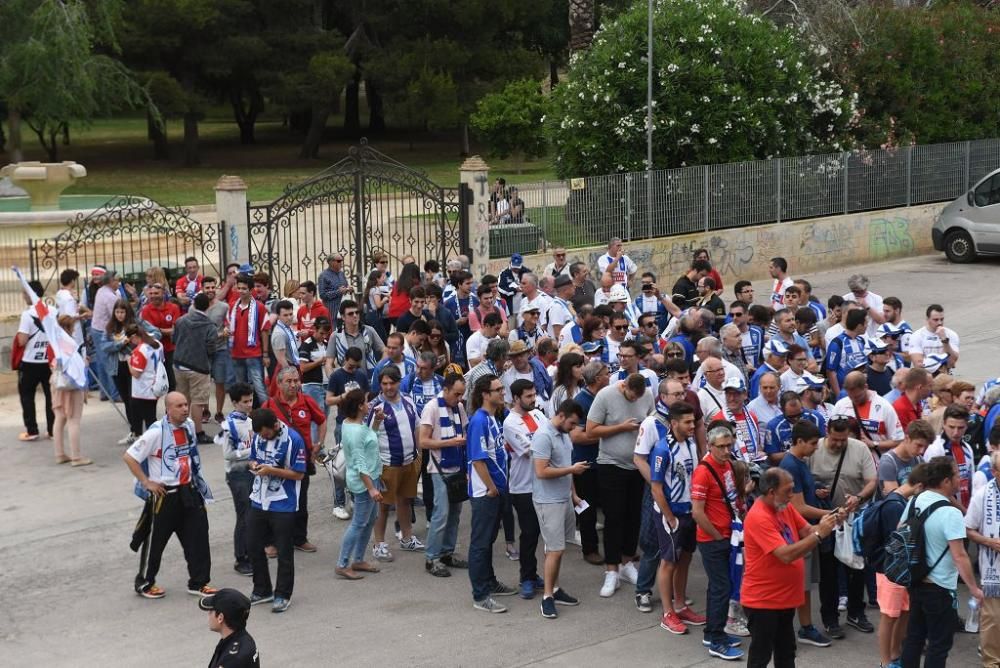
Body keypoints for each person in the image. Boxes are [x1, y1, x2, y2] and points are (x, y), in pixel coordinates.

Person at [741, 467, 839, 668]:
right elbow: (785, 554)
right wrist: (819, 534)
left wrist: (831, 520)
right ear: (771, 492)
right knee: (761, 656)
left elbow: (807, 531)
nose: (792, 495)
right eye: (788, 490)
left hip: (784, 599)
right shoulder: (759, 516)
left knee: (786, 654)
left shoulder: (784, 506)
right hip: (763, 602)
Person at [124, 392, 215, 599]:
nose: (184, 409)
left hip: (189, 491)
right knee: (155, 541)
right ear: (168, 409)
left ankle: (199, 582)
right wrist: (147, 483)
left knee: (198, 536)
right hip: (165, 496)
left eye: (186, 404)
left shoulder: (190, 425)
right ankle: (145, 583)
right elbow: (129, 457)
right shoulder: (156, 432)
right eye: (179, 406)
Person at [899, 457, 984, 667]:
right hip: (940, 588)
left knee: (914, 638)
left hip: (916, 581)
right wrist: (974, 588)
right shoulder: (950, 512)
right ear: (946, 481)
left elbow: (901, 530)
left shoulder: (915, 500)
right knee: (939, 644)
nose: (960, 478)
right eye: (956, 475)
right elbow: (960, 556)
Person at [586, 373, 654, 597]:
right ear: (623, 386)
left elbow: (652, 421)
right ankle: (611, 570)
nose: (635, 401)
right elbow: (591, 430)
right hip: (611, 464)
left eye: (638, 398)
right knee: (613, 518)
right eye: (631, 397)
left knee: (633, 517)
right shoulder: (605, 395)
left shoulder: (647, 395)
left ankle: (627, 563)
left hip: (637, 465)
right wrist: (621, 428)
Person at [810, 415, 878, 636]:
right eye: (835, 439)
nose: (839, 444)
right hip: (827, 520)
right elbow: (804, 482)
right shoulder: (815, 450)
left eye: (843, 439)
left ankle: (856, 612)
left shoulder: (859, 449)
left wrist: (858, 497)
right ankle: (830, 619)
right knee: (828, 573)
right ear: (827, 433)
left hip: (853, 519)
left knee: (856, 568)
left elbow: (872, 481)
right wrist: (816, 489)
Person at [245, 407, 307, 613]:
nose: (263, 437)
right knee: (253, 545)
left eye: (266, 433)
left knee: (284, 552)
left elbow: (299, 474)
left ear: (274, 426)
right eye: (260, 435)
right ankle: (262, 589)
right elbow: (252, 458)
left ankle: (283, 594)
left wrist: (271, 470)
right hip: (258, 499)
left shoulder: (294, 440)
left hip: (284, 504)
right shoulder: (258, 436)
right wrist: (253, 465)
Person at [779, 421, 834, 647]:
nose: (816, 448)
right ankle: (802, 627)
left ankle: (806, 625)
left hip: (806, 530)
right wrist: (830, 513)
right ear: (799, 441)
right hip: (800, 533)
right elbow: (797, 508)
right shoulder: (790, 465)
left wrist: (816, 491)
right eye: (812, 444)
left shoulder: (799, 462)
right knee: (801, 584)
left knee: (806, 584)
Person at [691, 424, 744, 660]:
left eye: (728, 445)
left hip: (728, 536)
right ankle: (716, 640)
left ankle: (713, 632)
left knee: (719, 587)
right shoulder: (704, 471)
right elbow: (697, 512)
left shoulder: (728, 465)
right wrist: (715, 535)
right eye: (720, 447)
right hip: (714, 539)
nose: (725, 450)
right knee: (722, 588)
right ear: (710, 446)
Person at [531, 399, 587, 618]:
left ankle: (554, 588)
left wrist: (573, 494)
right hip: (548, 501)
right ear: (562, 416)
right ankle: (547, 597)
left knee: (558, 547)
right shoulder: (544, 436)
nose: (573, 428)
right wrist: (571, 469)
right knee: (555, 549)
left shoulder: (563, 433)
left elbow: (566, 464)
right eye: (572, 423)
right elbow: (541, 472)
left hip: (563, 498)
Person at [262, 367, 326, 554]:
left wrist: (318, 444)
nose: (293, 384)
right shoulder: (269, 405)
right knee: (274, 501)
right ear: (279, 384)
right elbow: (258, 429)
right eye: (289, 381)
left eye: (296, 380)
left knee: (300, 501)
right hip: (277, 464)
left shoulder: (307, 401)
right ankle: (271, 542)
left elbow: (321, 421)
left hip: (301, 461)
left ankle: (299, 538)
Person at [467, 374, 517, 612]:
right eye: (497, 390)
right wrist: (491, 487)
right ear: (485, 394)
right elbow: (478, 459)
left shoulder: (493, 418)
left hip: (497, 489)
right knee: (480, 544)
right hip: (486, 493)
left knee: (487, 542)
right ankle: (480, 596)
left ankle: (490, 583)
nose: (502, 392)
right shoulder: (479, 421)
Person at [366, 366, 423, 561]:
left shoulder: (408, 399)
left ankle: (407, 538)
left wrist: (419, 455)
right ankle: (379, 544)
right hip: (387, 464)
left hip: (410, 461)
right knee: (383, 506)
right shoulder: (375, 407)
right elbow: (369, 437)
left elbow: (417, 426)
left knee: (405, 500)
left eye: (392, 383)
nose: (389, 387)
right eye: (384, 384)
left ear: (399, 382)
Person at [419, 374, 470, 577]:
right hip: (439, 469)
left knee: (455, 515)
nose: (459, 398)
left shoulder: (458, 407)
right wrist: (449, 443)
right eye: (456, 394)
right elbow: (423, 441)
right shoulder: (431, 407)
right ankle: (432, 557)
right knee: (440, 515)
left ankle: (447, 552)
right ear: (446, 389)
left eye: (461, 394)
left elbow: (465, 431)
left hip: (457, 467)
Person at [503, 380, 547, 599]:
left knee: (543, 534)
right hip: (523, 488)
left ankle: (536, 574)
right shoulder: (510, 423)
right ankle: (527, 578)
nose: (533, 399)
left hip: (544, 485)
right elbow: (534, 450)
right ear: (516, 398)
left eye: (534, 395)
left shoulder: (539, 415)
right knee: (529, 535)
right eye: (528, 397)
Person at [335, 389, 384, 580]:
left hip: (370, 479)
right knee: (359, 523)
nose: (369, 404)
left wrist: (377, 422)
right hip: (365, 483)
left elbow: (369, 438)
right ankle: (343, 563)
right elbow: (359, 463)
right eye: (366, 401)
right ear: (359, 406)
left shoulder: (355, 425)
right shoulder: (355, 432)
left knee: (369, 520)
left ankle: (358, 559)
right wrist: (371, 488)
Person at [965, 450, 1000, 668]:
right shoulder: (982, 495)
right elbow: (968, 529)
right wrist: (990, 542)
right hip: (994, 570)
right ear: (995, 472)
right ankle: (992, 663)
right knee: (993, 620)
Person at [216, 383, 255, 576]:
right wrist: (253, 450)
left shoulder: (249, 420)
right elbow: (228, 454)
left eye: (251, 400)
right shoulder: (228, 425)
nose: (249, 405)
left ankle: (251, 551)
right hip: (237, 474)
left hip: (251, 471)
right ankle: (241, 558)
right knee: (244, 516)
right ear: (234, 403)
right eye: (245, 402)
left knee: (253, 514)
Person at [573, 361, 609, 565]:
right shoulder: (581, 401)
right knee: (586, 509)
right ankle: (590, 549)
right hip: (585, 465)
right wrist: (610, 434)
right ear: (597, 379)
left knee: (610, 507)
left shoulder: (606, 396)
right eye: (606, 373)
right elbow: (576, 436)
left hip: (604, 462)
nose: (610, 375)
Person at [172, 293, 218, 444]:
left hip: (179, 364)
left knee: (181, 400)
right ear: (209, 306)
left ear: (194, 304)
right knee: (198, 401)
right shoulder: (210, 325)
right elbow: (211, 348)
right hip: (199, 367)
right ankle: (198, 432)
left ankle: (177, 429)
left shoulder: (181, 320)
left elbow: (174, 338)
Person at [16, 279, 54, 441]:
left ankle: (32, 431)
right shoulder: (52, 311)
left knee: (27, 396)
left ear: (29, 294)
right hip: (49, 362)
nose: (23, 295)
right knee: (51, 396)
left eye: (25, 292)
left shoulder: (27, 315)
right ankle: (52, 430)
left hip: (31, 362)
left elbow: (22, 341)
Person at [833, 370, 904, 454]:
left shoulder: (884, 406)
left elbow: (899, 440)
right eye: (850, 396)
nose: (854, 400)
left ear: (865, 387)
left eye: (858, 396)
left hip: (877, 463)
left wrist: (874, 444)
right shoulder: (840, 405)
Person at [51, 315, 90, 466]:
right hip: (71, 385)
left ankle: (60, 453)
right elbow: (76, 367)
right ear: (68, 328)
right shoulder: (68, 345)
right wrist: (84, 363)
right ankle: (76, 457)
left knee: (59, 418)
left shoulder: (55, 343)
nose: (74, 330)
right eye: (72, 327)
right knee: (74, 420)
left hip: (58, 383)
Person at [924, 404, 975, 511]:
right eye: (951, 427)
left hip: (966, 508)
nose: (956, 432)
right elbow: (937, 488)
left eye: (960, 428)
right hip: (945, 511)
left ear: (966, 426)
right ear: (944, 424)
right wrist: (964, 512)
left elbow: (971, 482)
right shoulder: (935, 449)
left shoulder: (967, 448)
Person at [228, 275, 268, 405]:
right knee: (241, 389)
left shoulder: (259, 307)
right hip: (237, 353)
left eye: (244, 288)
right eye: (238, 288)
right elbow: (228, 326)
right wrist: (225, 331)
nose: (240, 291)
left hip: (253, 353)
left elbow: (265, 330)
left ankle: (267, 413)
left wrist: (265, 354)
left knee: (259, 386)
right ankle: (244, 415)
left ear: (251, 290)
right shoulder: (233, 306)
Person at [141, 281, 182, 392]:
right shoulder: (145, 310)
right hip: (153, 351)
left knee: (172, 382)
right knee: (153, 383)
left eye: (156, 293)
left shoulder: (174, 308)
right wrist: (164, 331)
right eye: (151, 293)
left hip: (170, 350)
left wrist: (158, 330)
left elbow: (176, 330)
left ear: (163, 293)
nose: (153, 296)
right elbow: (149, 333)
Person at [201, 590, 259, 668]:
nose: (209, 614)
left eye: (211, 611)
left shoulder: (231, 660)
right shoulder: (244, 639)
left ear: (220, 618)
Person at [879, 419, 934, 497]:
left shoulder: (919, 460)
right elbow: (894, 499)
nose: (922, 451)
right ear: (907, 438)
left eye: (925, 447)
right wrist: (916, 488)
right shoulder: (888, 462)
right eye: (919, 445)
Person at [907, 304, 959, 370]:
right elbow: (918, 365)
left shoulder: (951, 334)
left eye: (942, 319)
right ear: (927, 319)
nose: (940, 323)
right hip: (925, 375)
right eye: (936, 320)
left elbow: (951, 362)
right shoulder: (917, 336)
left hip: (945, 375)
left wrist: (945, 341)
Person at [318, 254, 351, 324]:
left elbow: (345, 286)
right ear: (331, 262)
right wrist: (338, 292)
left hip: (344, 311)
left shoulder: (341, 273)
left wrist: (349, 289)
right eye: (338, 261)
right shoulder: (323, 276)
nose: (341, 263)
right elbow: (322, 295)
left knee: (343, 333)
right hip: (332, 312)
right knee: (334, 333)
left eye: (342, 260)